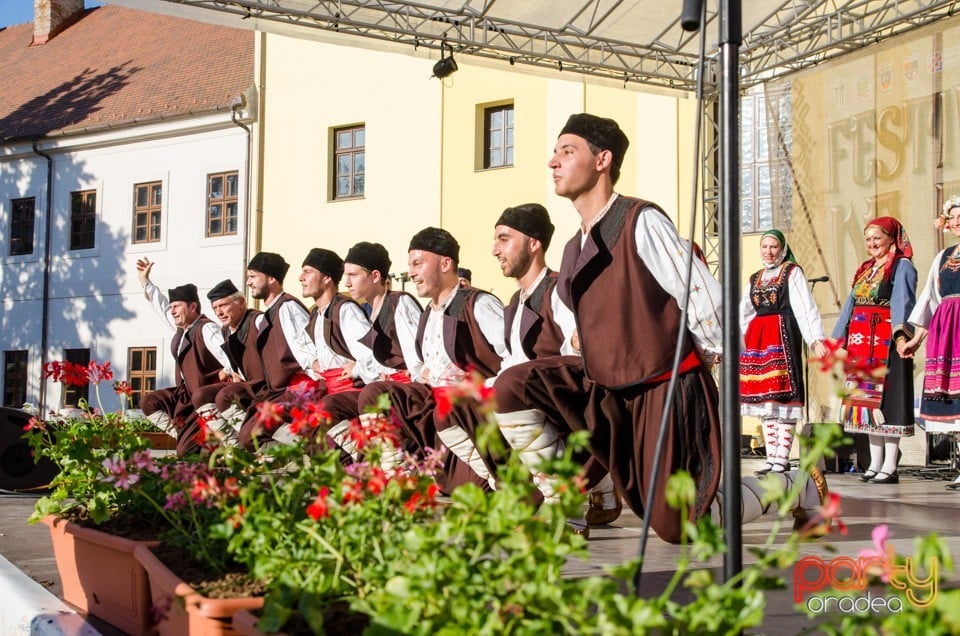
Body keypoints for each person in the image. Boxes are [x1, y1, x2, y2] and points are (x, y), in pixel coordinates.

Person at [491, 114, 724, 543]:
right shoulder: (573, 245)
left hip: (661, 388)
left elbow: (702, 294)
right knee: (511, 385)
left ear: (602, 160)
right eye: (555, 152)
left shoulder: (640, 219)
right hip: (603, 388)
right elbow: (576, 323)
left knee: (680, 527)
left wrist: (708, 356)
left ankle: (788, 486)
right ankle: (565, 501)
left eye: (567, 151)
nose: (553, 162)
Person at [356, 227, 507, 492]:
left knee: (468, 489)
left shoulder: (477, 304)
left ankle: (501, 478)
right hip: (436, 409)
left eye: (418, 263)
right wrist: (422, 373)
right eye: (410, 265)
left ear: (446, 263)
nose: (411, 272)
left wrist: (480, 386)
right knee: (375, 394)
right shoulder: (429, 313)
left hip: (472, 415)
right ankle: (396, 474)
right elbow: (421, 366)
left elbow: (513, 357)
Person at [831, 216, 917, 485]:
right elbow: (851, 305)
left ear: (892, 239)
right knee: (865, 405)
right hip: (860, 343)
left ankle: (890, 465)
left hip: (887, 343)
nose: (872, 244)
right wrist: (838, 338)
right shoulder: (866, 269)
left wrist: (902, 337)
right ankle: (874, 463)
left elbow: (903, 302)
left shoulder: (901, 266)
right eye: (868, 239)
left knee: (887, 405)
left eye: (877, 238)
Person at [740, 230, 829, 476]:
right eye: (765, 246)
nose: (769, 251)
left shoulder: (792, 272)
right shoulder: (755, 278)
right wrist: (733, 344)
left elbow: (805, 306)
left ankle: (783, 457)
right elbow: (744, 313)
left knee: (782, 395)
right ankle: (771, 457)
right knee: (764, 399)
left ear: (782, 249)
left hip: (781, 334)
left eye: (774, 247)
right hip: (758, 341)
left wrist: (815, 339)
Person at [326, 242, 424, 457]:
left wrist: (408, 373)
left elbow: (417, 353)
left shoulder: (400, 303)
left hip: (407, 392)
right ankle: (359, 457)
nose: (346, 282)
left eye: (353, 275)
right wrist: (358, 367)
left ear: (375, 276)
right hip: (381, 389)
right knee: (329, 406)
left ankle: (393, 464)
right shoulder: (369, 311)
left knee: (371, 394)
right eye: (345, 275)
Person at [215, 252, 314, 449]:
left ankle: (309, 450)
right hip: (279, 390)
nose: (248, 282)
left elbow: (310, 347)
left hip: (298, 388)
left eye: (253, 276)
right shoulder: (271, 311)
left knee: (251, 433)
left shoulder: (288, 307)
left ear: (271, 279)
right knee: (248, 433)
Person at [136, 258, 231, 455]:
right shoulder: (183, 329)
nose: (172, 311)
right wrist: (146, 282)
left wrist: (228, 371)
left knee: (186, 453)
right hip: (184, 397)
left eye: (177, 306)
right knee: (149, 402)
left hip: (204, 399)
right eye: (172, 307)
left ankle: (209, 442)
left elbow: (229, 354)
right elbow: (162, 309)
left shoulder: (207, 329)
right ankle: (182, 434)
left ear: (193, 307)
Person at [900, 197, 960, 490]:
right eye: (954, 217)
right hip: (946, 328)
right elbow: (928, 300)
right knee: (952, 398)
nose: (958, 221)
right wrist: (915, 339)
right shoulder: (943, 256)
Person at [293, 247, 381, 446]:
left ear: (326, 278)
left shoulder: (346, 310)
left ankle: (359, 459)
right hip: (332, 389)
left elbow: (372, 354)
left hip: (354, 391)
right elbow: (299, 345)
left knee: (325, 411)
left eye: (307, 272)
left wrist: (357, 367)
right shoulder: (317, 314)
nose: (301, 278)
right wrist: (313, 361)